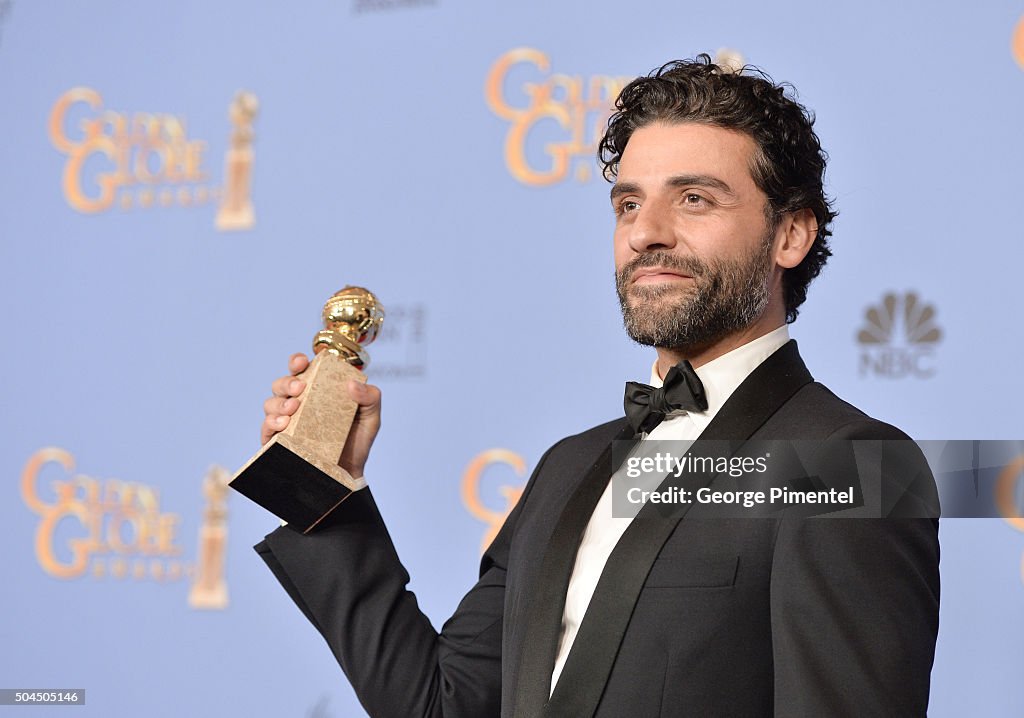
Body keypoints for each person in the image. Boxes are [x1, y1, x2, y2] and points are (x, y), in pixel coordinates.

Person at [254, 55, 940, 717]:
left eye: (694, 199)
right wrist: (322, 488)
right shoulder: (568, 466)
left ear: (789, 235)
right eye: (628, 204)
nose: (646, 232)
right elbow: (445, 706)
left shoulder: (849, 465)